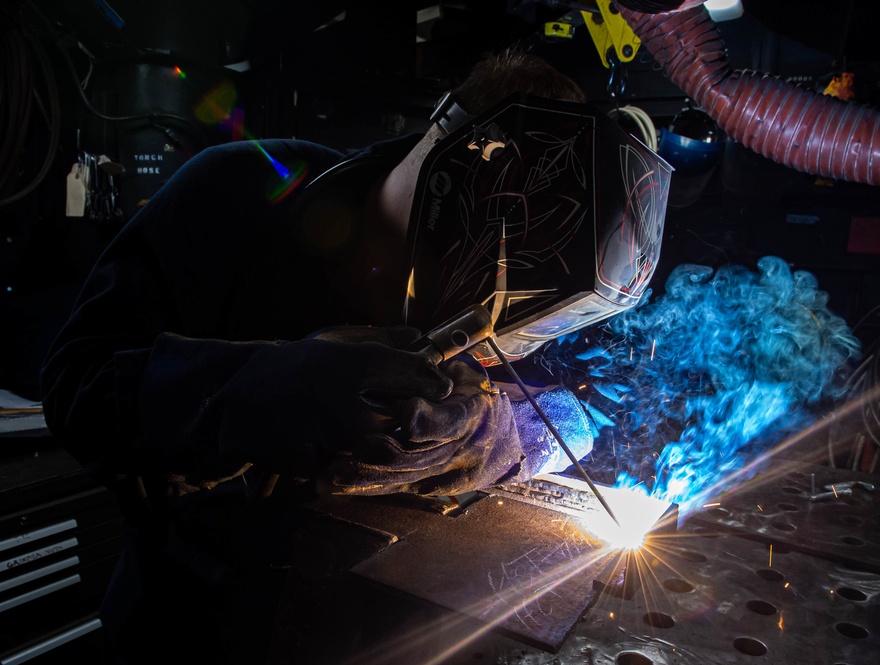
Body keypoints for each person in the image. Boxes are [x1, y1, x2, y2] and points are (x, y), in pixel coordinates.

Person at [40, 49, 604, 664]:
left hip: (376, 638)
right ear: (460, 163)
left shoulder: (526, 276)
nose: (481, 336)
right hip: (189, 628)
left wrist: (478, 438)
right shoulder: (238, 190)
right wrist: (258, 392)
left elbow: (554, 414)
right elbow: (77, 387)